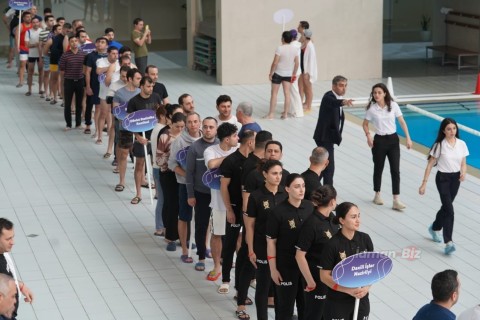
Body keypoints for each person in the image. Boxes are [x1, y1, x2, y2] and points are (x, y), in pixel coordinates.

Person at [244, 159, 287, 320]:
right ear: (265, 174)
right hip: (261, 246)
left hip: (281, 248)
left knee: (279, 287)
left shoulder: (285, 194)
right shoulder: (256, 196)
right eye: (274, 173)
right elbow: (250, 226)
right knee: (263, 287)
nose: (278, 177)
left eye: (280, 173)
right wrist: (250, 249)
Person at [267, 174, 313, 320]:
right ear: (287, 189)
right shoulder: (278, 212)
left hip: (306, 266)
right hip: (285, 266)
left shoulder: (310, 207)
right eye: (297, 186)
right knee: (284, 308)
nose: (301, 190)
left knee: (305, 306)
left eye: (303, 186)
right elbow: (271, 242)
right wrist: (273, 269)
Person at [419, 118, 469, 255]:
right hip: (442, 179)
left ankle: (434, 228)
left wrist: (463, 172)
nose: (452, 131)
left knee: (446, 207)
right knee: (450, 210)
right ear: (443, 131)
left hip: (455, 179)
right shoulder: (439, 145)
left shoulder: (462, 144)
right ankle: (448, 242)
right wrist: (424, 184)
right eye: (449, 129)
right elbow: (429, 165)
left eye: (454, 128)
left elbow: (463, 162)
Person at [220, 130, 255, 317]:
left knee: (246, 246)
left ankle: (239, 286)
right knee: (230, 242)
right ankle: (225, 278)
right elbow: (223, 187)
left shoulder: (254, 163)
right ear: (250, 143)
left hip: (250, 211)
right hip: (235, 207)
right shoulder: (231, 161)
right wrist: (229, 210)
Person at [319, 202, 374, 320]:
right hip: (338, 302)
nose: (358, 220)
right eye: (353, 217)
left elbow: (371, 270)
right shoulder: (332, 244)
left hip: (361, 300)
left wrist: (366, 288)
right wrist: (348, 290)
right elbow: (324, 276)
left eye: (359, 216)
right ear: (342, 220)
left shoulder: (365, 239)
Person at [363, 83, 412, 210]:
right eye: (375, 93)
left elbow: (401, 121)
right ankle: (377, 194)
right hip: (379, 141)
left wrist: (408, 138)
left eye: (379, 92)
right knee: (378, 168)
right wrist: (368, 136)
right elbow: (365, 124)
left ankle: (396, 199)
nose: (377, 95)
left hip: (393, 140)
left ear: (385, 93)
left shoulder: (393, 105)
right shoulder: (372, 109)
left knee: (395, 170)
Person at [296, 185, 340, 320]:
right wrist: (310, 281)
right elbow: (300, 255)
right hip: (315, 278)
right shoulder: (312, 223)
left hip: (331, 276)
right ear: (332, 201)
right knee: (314, 314)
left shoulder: (332, 218)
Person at [203, 123, 239, 284]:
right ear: (226, 139)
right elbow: (211, 164)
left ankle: (240, 265)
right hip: (218, 202)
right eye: (234, 136)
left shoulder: (238, 149)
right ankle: (217, 265)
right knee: (217, 234)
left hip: (236, 202)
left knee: (239, 235)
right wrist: (233, 157)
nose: (237, 139)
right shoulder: (211, 151)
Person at [168, 112, 203, 260]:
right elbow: (171, 164)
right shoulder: (179, 141)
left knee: (203, 218)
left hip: (203, 187)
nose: (193, 124)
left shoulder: (206, 139)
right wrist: (187, 176)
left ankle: (204, 247)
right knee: (184, 216)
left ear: (199, 123)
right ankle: (184, 249)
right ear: (186, 124)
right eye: (190, 122)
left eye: (195, 121)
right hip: (184, 185)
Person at [186, 117, 219, 270]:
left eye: (211, 127)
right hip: (201, 193)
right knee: (201, 225)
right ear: (201, 128)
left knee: (220, 227)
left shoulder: (221, 145)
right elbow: (189, 173)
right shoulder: (195, 147)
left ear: (216, 129)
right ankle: (201, 256)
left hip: (219, 193)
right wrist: (190, 194)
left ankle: (221, 257)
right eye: (205, 127)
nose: (208, 130)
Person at [127, 76, 162, 205]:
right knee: (140, 164)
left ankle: (158, 192)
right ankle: (138, 194)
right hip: (141, 138)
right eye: (148, 86)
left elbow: (161, 115)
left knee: (156, 165)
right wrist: (137, 137)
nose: (151, 88)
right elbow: (129, 122)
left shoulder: (156, 97)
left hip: (155, 136)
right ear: (141, 86)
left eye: (152, 86)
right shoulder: (134, 101)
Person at [313, 75, 353, 186]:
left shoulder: (336, 98)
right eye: (341, 85)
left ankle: (312, 184)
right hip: (324, 138)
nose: (344, 88)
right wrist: (343, 102)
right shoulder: (328, 97)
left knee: (324, 166)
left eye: (345, 86)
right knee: (329, 168)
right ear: (333, 86)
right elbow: (333, 103)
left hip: (328, 138)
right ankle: (327, 192)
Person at [158, 112, 186, 251]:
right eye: (177, 127)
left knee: (184, 205)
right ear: (170, 124)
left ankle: (184, 237)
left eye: (182, 126)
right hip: (168, 174)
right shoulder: (164, 137)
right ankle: (170, 237)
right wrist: (172, 157)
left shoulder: (187, 137)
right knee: (171, 205)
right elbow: (158, 160)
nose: (180, 130)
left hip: (182, 174)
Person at [113, 68, 142, 192]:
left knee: (141, 155)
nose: (140, 81)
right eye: (138, 78)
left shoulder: (141, 92)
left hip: (140, 128)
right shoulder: (119, 93)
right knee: (124, 153)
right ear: (130, 79)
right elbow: (116, 112)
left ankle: (143, 179)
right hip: (125, 127)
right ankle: (122, 181)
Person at [0, 218, 34, 319]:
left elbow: (5, 280)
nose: (12, 242)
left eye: (12, 237)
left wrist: (21, 286)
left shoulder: (3, 253)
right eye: (8, 239)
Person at [264, 31, 299, 120]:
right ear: (291, 39)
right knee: (287, 93)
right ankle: (285, 114)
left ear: (282, 39)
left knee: (274, 94)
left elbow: (275, 62)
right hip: (288, 74)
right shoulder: (295, 49)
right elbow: (297, 63)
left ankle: (271, 114)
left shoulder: (280, 48)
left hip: (278, 73)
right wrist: (293, 74)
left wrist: (271, 73)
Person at [59, 33, 86, 130]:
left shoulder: (83, 54)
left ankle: (78, 123)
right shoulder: (65, 55)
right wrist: (62, 83)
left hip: (80, 81)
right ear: (69, 43)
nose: (74, 43)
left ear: (78, 42)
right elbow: (62, 70)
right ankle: (68, 124)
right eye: (72, 41)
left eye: (76, 41)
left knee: (79, 104)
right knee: (68, 104)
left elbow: (86, 69)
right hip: (69, 81)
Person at [151, 105, 170, 237]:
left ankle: (161, 225)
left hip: (156, 167)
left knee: (162, 199)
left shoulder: (156, 129)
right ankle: (159, 226)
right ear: (163, 116)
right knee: (162, 199)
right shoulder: (160, 131)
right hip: (159, 168)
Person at [299, 29, 318, 113]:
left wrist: (308, 73)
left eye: (302, 35)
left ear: (305, 35)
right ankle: (306, 103)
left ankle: (309, 106)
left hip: (307, 71)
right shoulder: (304, 44)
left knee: (308, 88)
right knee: (305, 88)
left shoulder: (310, 46)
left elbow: (311, 61)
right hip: (303, 70)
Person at [24, 16, 43, 96]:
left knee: (41, 71)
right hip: (31, 54)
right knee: (30, 72)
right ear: (32, 23)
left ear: (39, 23)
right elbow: (27, 45)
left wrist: (39, 45)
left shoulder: (42, 31)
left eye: (37, 22)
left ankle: (40, 89)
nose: (35, 24)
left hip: (41, 55)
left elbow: (44, 44)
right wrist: (36, 44)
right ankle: (29, 90)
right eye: (34, 22)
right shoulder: (28, 32)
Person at [14, 11, 32, 88]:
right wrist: (17, 47)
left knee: (30, 65)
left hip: (31, 48)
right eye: (27, 17)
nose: (29, 18)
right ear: (23, 18)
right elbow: (17, 37)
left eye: (30, 17)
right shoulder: (20, 26)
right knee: (22, 64)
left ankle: (29, 80)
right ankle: (21, 81)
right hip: (23, 47)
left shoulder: (33, 25)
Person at [288, 29, 303, 118]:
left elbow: (293, 60)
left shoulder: (292, 46)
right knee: (292, 91)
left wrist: (293, 73)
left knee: (294, 91)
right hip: (296, 71)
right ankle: (292, 110)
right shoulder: (297, 44)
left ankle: (298, 112)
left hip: (293, 71)